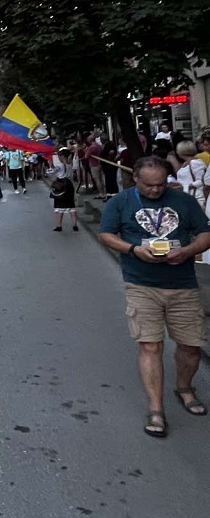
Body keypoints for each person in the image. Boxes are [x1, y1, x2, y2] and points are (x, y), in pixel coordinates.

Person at [98, 156, 210, 437]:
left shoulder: (183, 201)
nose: (156, 190)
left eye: (161, 185)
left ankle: (184, 388)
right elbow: (106, 235)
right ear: (135, 178)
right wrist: (134, 250)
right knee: (150, 346)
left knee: (190, 346)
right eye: (149, 185)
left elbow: (206, 232)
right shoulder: (120, 202)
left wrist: (186, 251)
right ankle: (156, 409)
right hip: (141, 284)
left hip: (183, 284)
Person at [51, 148, 79, 231]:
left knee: (59, 205)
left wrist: (50, 165)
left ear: (62, 156)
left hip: (61, 185)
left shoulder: (60, 166)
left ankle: (59, 225)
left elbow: (51, 172)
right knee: (71, 205)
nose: (58, 158)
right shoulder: (70, 164)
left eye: (59, 156)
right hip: (69, 184)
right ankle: (75, 225)